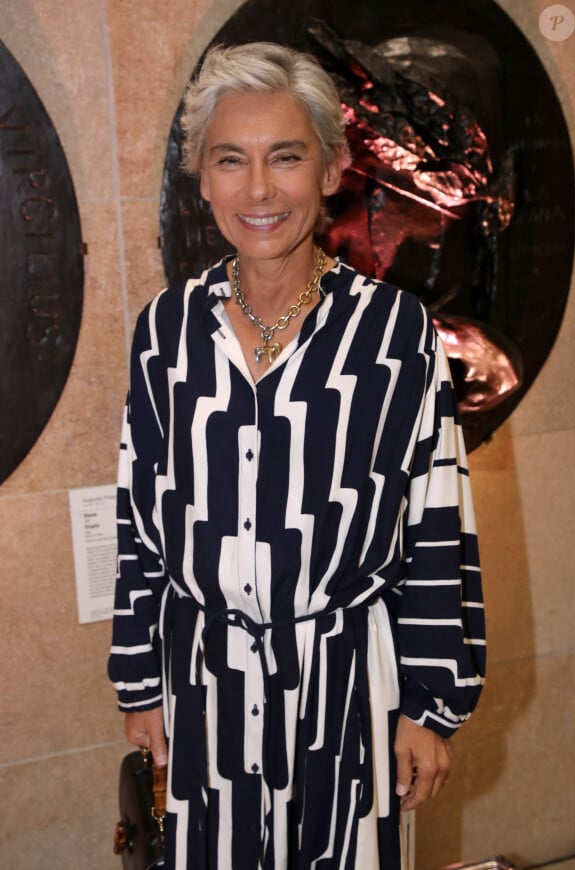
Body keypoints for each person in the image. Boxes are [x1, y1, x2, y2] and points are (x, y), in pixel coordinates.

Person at [108, 41, 485, 870]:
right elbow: (139, 515)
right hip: (202, 679)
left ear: (330, 168)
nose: (259, 189)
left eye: (286, 156)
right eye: (230, 161)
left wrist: (430, 704)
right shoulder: (165, 334)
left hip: (348, 682)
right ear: (201, 179)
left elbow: (435, 524)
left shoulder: (393, 335)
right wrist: (141, 683)